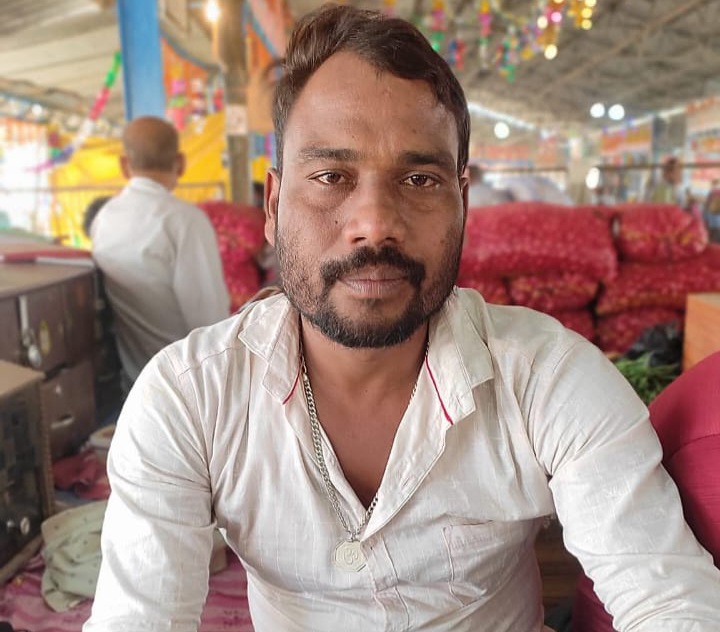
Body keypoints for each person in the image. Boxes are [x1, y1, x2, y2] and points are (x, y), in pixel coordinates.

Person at [85, 6, 720, 632]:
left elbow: (667, 597)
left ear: (462, 204)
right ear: (274, 206)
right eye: (331, 175)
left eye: (418, 180)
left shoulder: (546, 379)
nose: (375, 224)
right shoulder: (188, 398)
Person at [90, 116, 230, 387]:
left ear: (124, 165)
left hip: (135, 384)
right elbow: (212, 326)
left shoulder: (104, 220)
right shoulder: (185, 221)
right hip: (191, 386)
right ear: (181, 163)